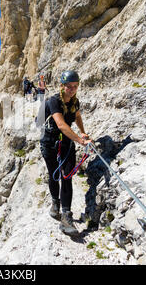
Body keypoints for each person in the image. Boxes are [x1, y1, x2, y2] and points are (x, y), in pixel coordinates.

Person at [40, 70, 92, 236]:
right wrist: (80, 140)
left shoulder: (74, 102)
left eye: (75, 86)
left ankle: (66, 217)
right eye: (69, 86)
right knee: (54, 175)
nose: (72, 89)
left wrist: (82, 132)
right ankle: (55, 203)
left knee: (67, 176)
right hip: (50, 143)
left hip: (66, 142)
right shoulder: (53, 101)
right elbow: (61, 124)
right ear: (62, 86)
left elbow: (77, 116)